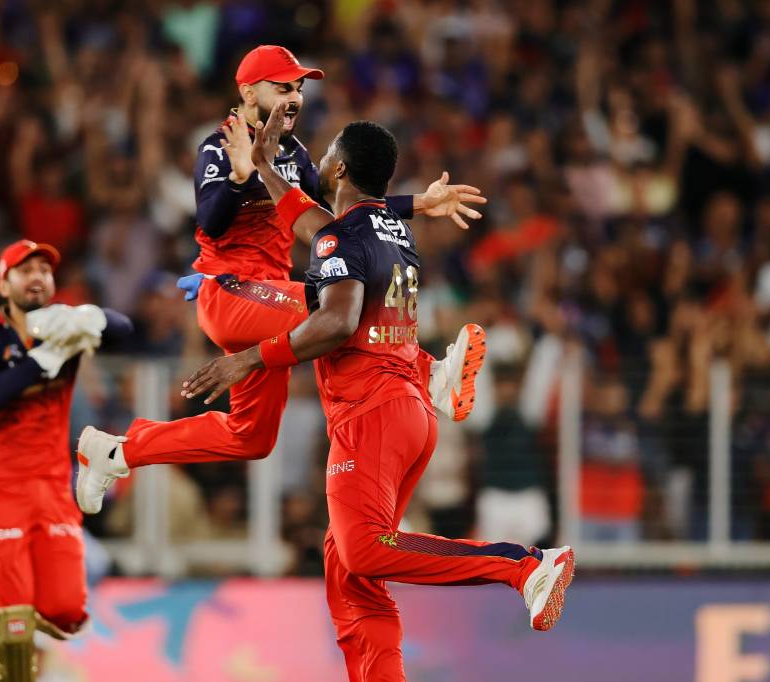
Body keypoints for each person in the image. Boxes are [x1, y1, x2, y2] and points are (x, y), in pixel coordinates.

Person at [182, 108, 575, 682]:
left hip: (370, 415)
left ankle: (522, 565)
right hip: (406, 413)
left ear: (338, 168)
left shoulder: (344, 237)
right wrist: (262, 165)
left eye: (326, 155)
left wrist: (249, 359)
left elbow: (336, 321)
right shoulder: (388, 230)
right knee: (351, 578)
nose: (318, 161)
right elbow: (309, 222)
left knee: (362, 551)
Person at [75, 45, 489, 513]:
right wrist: (238, 177)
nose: (294, 98)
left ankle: (114, 453)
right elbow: (209, 222)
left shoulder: (293, 153)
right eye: (282, 88)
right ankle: (429, 373)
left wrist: (419, 204)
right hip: (234, 294)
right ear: (249, 93)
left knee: (251, 437)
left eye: (298, 88)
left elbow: (337, 214)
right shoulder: (220, 145)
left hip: (269, 302)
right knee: (339, 306)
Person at [0, 239, 132, 682]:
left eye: (44, 270)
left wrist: (91, 318)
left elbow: (126, 329)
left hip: (51, 484)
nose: (36, 277)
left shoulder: (65, 327)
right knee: (14, 620)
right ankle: (0, 615)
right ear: (2, 284)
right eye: (24, 269)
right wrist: (45, 359)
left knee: (68, 613)